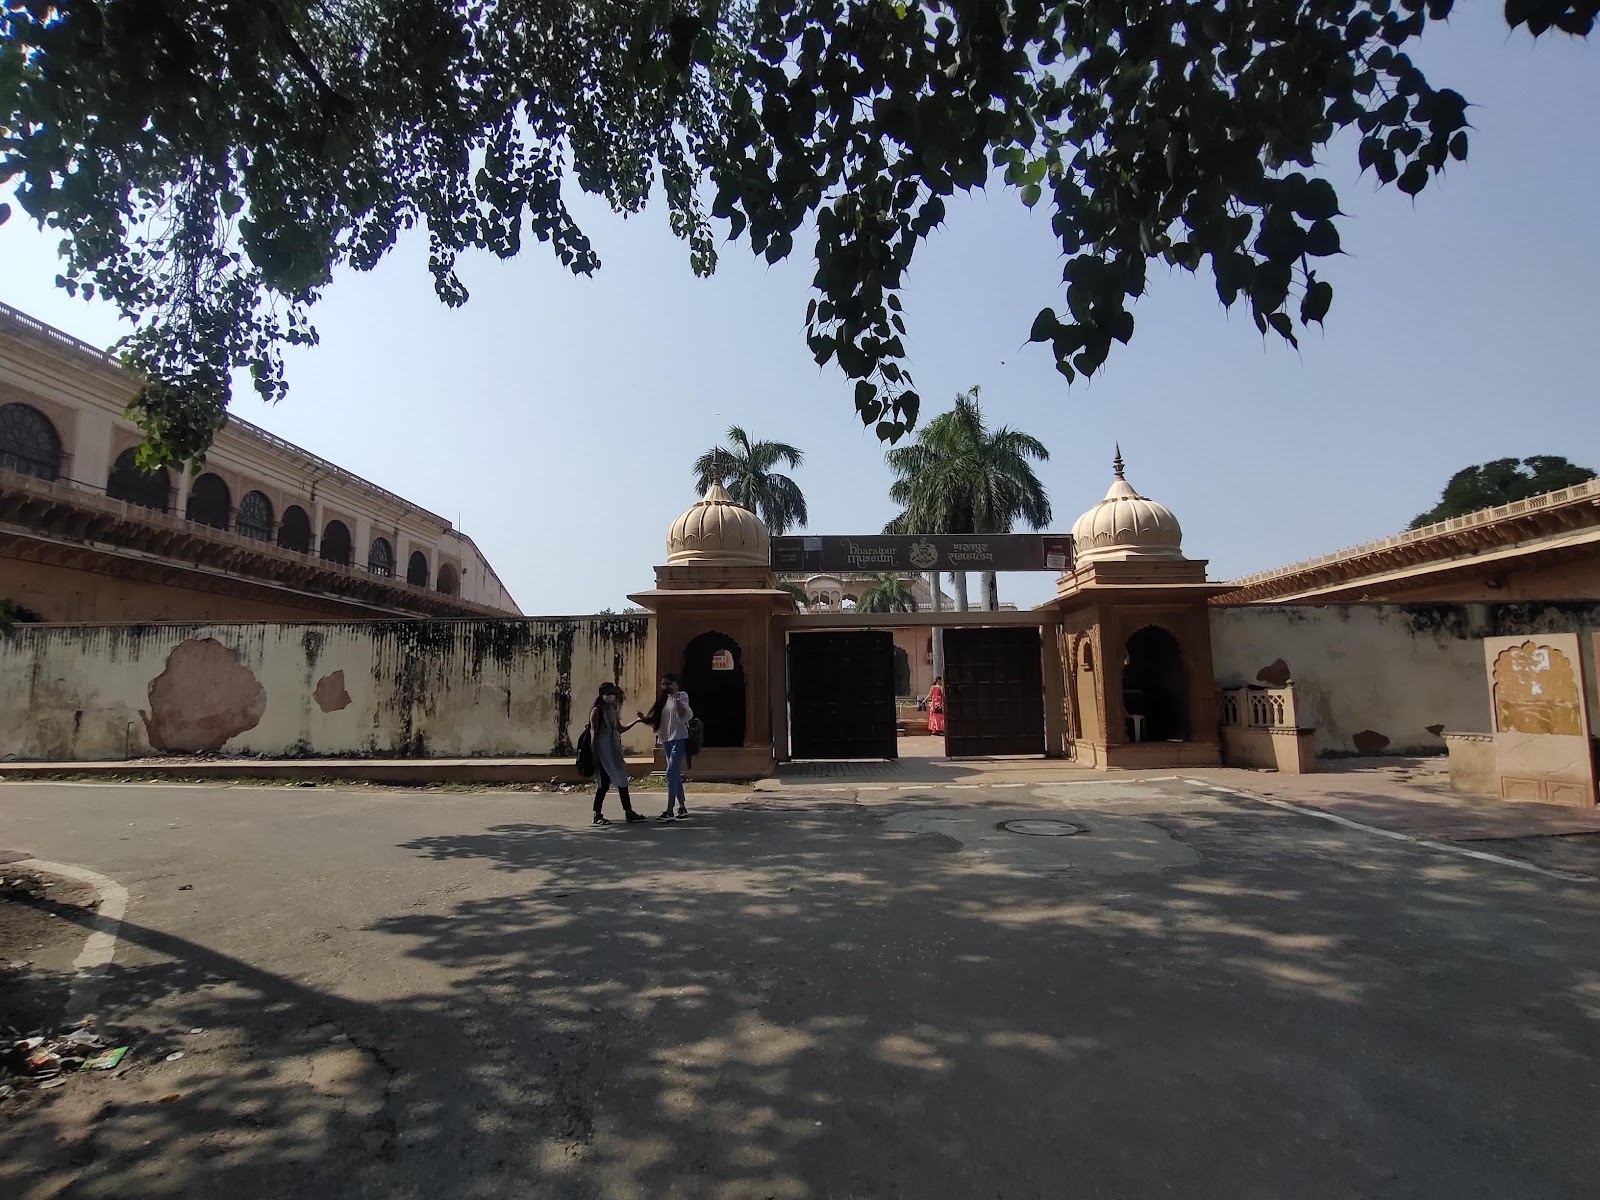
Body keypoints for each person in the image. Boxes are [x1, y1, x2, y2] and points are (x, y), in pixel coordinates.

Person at [590, 683, 646, 825]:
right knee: (603, 783)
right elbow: (594, 735)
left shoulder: (612, 709)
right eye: (609, 693)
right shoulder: (597, 711)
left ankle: (629, 812)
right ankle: (597, 814)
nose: (612, 696)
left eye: (613, 692)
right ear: (602, 694)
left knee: (622, 780)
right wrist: (595, 755)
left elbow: (619, 729)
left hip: (614, 748)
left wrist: (637, 721)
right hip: (603, 749)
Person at [642, 675, 693, 821]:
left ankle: (670, 809)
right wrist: (644, 719)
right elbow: (655, 719)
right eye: (663, 684)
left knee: (670, 772)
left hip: (679, 738)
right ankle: (682, 806)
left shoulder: (682, 696)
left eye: (668, 683)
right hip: (666, 739)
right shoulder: (662, 699)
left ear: (675, 684)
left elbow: (683, 715)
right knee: (675, 773)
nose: (665, 686)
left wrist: (676, 697)